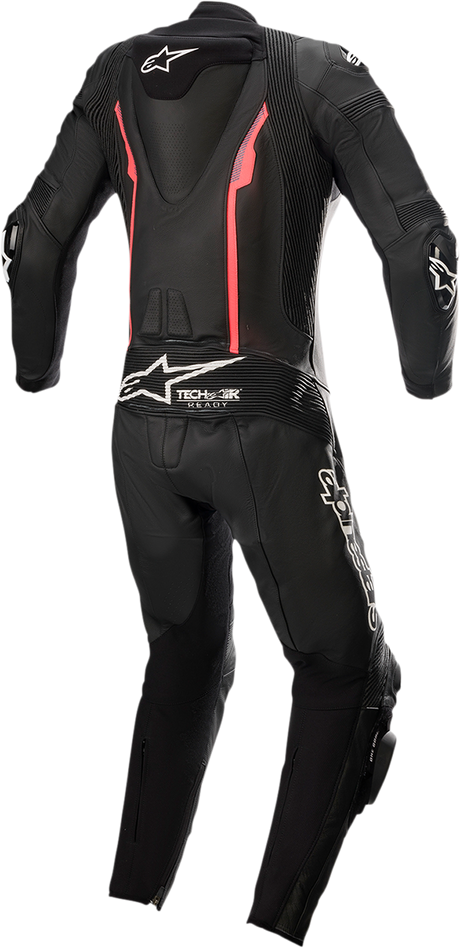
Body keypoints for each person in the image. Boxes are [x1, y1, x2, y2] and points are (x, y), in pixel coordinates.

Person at [2, 3, 458, 944]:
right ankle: (272, 931)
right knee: (350, 675)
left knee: (185, 654)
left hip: (141, 431)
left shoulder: (115, 71)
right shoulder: (319, 70)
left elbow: (32, 238)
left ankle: (131, 905)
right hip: (266, 427)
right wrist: (427, 377)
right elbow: (424, 241)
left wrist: (36, 367)